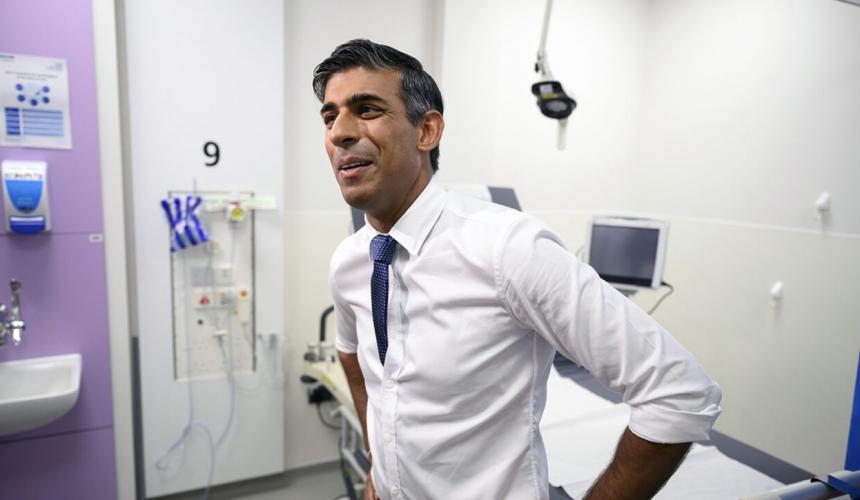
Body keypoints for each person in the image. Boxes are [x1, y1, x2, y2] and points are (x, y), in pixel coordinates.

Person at [315, 39, 721, 500]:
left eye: (367, 109)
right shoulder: (350, 261)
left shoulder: (510, 249)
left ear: (426, 130)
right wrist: (378, 467)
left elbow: (679, 392)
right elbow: (351, 354)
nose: (339, 133)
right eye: (329, 117)